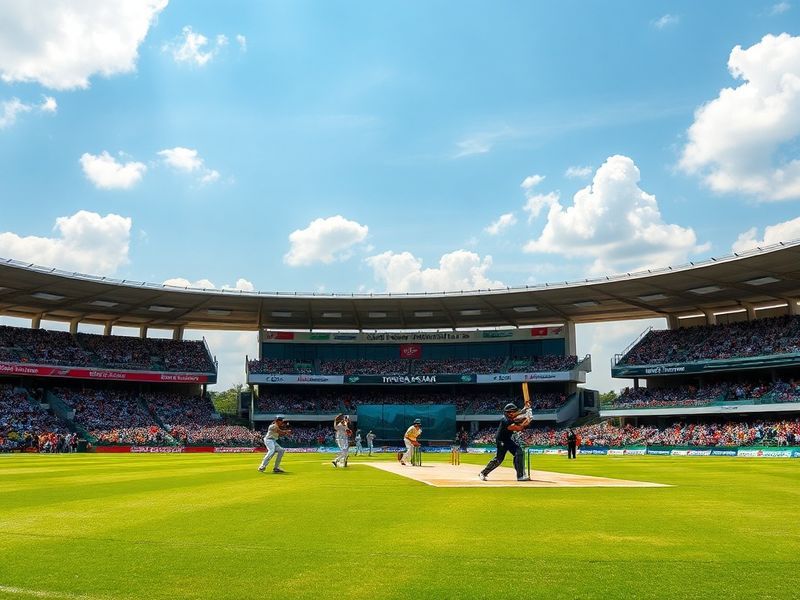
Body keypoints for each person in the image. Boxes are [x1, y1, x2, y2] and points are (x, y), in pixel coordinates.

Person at [479, 403, 531, 482]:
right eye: (513, 412)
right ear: (508, 413)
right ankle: (483, 473)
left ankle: (520, 476)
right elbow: (518, 428)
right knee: (499, 459)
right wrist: (527, 420)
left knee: (519, 452)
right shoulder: (505, 421)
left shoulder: (510, 417)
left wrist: (525, 410)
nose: (514, 413)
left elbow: (516, 415)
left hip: (507, 439)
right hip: (501, 441)